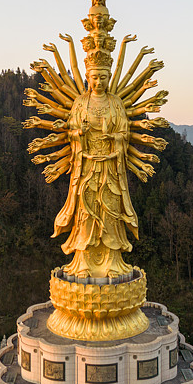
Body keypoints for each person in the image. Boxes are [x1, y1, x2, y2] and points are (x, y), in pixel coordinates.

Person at [52, 63, 138, 279]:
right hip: (87, 165)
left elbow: (125, 132)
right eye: (95, 77)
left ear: (109, 77)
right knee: (86, 209)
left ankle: (113, 262)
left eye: (103, 77)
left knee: (110, 208)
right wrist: (80, 132)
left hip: (110, 166)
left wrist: (115, 137)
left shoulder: (115, 103)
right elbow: (70, 132)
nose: (99, 82)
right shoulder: (80, 102)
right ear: (87, 78)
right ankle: (82, 262)